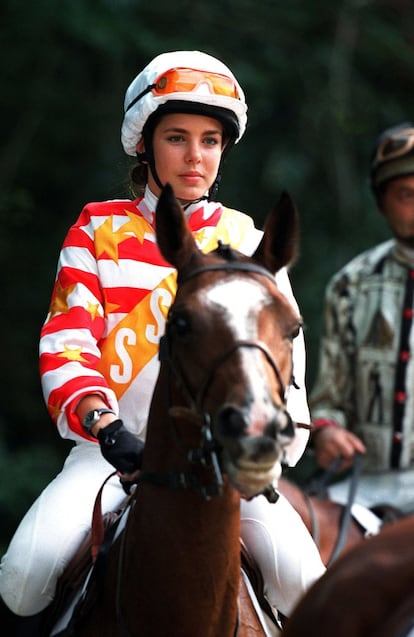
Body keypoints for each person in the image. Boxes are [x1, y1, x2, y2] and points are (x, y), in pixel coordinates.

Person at [0, 50, 325, 635]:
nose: (195, 156)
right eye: (177, 137)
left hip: (227, 459)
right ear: (145, 144)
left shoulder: (248, 238)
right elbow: (68, 339)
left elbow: (287, 356)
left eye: (209, 140)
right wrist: (106, 427)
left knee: (310, 584)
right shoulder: (95, 229)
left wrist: (274, 445)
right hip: (109, 455)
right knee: (24, 573)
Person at [310, 122, 414, 513]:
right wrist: (328, 431)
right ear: (382, 203)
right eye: (406, 194)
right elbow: (328, 399)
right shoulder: (350, 285)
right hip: (366, 484)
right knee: (306, 543)